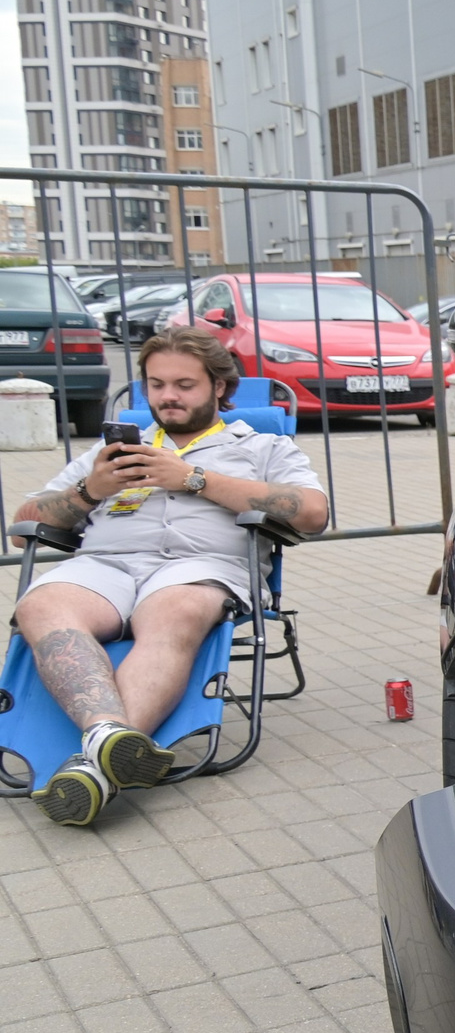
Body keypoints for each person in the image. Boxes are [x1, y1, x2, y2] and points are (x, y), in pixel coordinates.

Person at [11, 327, 329, 825]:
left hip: (200, 568)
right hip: (105, 566)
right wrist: (90, 490)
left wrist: (194, 479)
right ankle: (104, 740)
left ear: (220, 387)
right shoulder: (110, 453)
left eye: (184, 384)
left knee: (173, 610)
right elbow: (22, 525)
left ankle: (91, 772)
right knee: (39, 604)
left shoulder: (261, 447)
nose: (168, 396)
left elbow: (311, 513)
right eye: (156, 385)